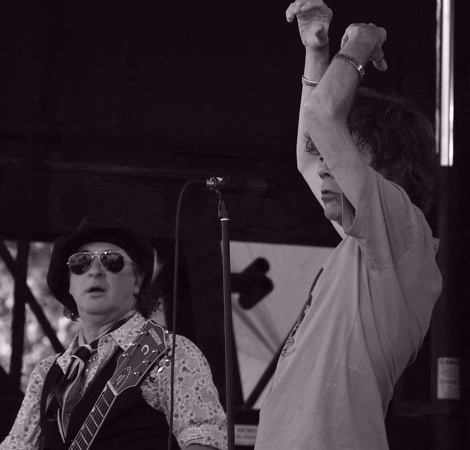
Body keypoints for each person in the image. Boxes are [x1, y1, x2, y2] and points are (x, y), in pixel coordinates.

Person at [254, 1, 443, 449]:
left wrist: (359, 43)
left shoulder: (403, 231)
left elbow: (322, 118)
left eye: (342, 152)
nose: (325, 166)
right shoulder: (365, 246)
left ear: (390, 166)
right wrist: (316, 53)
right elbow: (309, 155)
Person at [0, 219, 227, 450]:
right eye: (80, 263)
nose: (95, 271)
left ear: (137, 280)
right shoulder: (46, 372)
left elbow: (205, 438)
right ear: (69, 283)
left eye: (111, 261)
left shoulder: (168, 353)